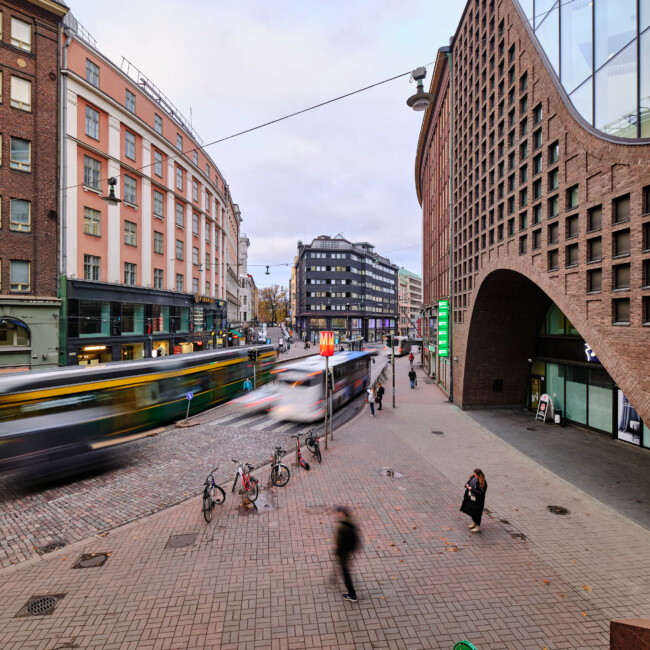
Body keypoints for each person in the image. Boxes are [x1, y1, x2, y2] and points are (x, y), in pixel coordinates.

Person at [334, 505, 359, 603]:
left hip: (344, 553)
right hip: (348, 550)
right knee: (345, 571)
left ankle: (352, 594)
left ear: (342, 513)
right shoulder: (350, 521)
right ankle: (351, 593)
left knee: (345, 573)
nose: (336, 515)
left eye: (338, 513)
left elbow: (340, 544)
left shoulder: (342, 527)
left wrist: (337, 552)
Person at [460, 469, 488, 533]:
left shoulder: (483, 482)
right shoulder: (473, 477)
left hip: (478, 501)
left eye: (475, 474)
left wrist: (471, 489)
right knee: (471, 512)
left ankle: (477, 526)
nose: (474, 475)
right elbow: (468, 482)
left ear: (479, 475)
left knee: (477, 513)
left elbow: (481, 493)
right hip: (471, 499)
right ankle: (474, 523)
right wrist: (466, 485)